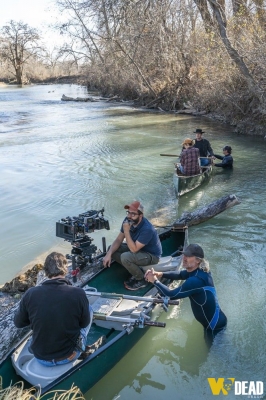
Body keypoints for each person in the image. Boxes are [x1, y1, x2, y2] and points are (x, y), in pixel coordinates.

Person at [14, 252, 93, 366]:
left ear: (46, 272)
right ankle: (81, 349)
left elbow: (18, 323)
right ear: (65, 269)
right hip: (69, 356)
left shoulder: (30, 293)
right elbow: (84, 323)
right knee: (89, 309)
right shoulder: (78, 293)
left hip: (40, 358)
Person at [145, 244, 227, 343]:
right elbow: (180, 274)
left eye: (188, 256)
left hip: (214, 326)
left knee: (213, 354)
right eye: (184, 255)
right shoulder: (199, 270)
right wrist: (160, 274)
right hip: (217, 319)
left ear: (197, 260)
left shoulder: (196, 281)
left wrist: (154, 281)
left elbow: (172, 295)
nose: (184, 258)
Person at [102, 201, 162, 291]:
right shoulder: (128, 221)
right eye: (128, 212)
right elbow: (118, 239)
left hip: (151, 255)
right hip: (137, 249)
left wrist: (126, 231)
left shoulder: (147, 229)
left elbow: (133, 250)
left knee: (125, 257)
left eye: (133, 214)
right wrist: (108, 254)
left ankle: (141, 279)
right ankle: (134, 269)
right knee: (112, 249)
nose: (129, 216)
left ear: (140, 216)